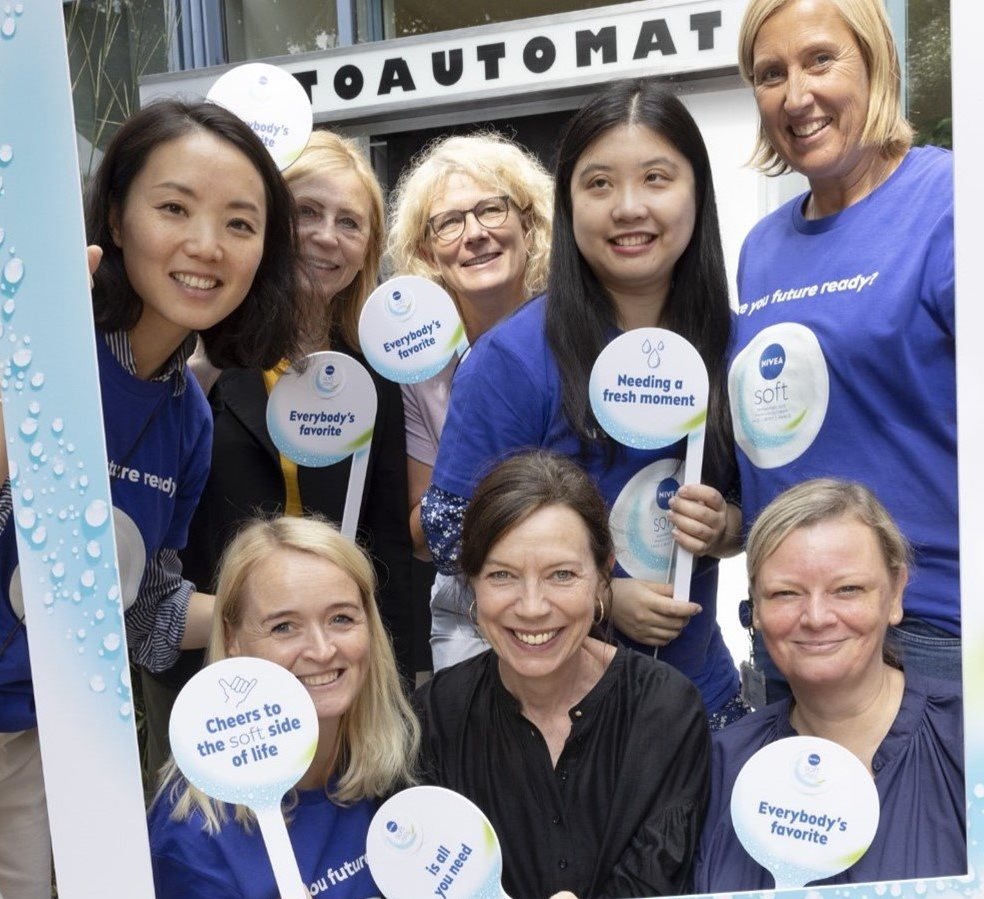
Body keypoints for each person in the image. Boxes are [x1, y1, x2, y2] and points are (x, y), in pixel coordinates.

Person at [0, 99, 302, 899]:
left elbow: (139, 609)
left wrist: (275, 618)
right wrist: (37, 340)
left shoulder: (185, 414)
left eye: (239, 223)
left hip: (27, 741)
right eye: (174, 208)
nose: (205, 246)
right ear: (116, 213)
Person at [728, 0, 984, 701]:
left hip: (937, 629)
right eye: (770, 72)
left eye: (820, 60)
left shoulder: (954, 196)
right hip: (794, 632)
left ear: (876, 64)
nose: (796, 94)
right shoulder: (762, 248)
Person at [423, 80, 746, 725]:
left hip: (697, 701)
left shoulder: (735, 346)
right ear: (567, 206)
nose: (629, 207)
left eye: (657, 178)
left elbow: (767, 509)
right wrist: (599, 593)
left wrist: (726, 529)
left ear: (698, 193)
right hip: (557, 717)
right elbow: (448, 529)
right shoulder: (514, 359)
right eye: (598, 184)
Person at [695, 479, 984, 899]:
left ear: (895, 593)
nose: (816, 617)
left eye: (848, 589)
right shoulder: (723, 766)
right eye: (785, 593)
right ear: (756, 609)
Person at [144, 131, 416, 777]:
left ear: (367, 250)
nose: (327, 236)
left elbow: (386, 539)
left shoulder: (372, 374)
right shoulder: (194, 352)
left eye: (350, 223)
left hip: (335, 671)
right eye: (307, 213)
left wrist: (404, 677)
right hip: (209, 668)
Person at [417, 451, 710, 899]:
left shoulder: (665, 710)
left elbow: (657, 891)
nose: (532, 606)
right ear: (471, 581)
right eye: (502, 575)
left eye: (561, 575)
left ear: (602, 577)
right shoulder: (434, 719)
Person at [149, 516, 420, 899]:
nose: (322, 649)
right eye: (284, 627)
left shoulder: (405, 764)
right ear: (234, 641)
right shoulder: (194, 836)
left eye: (341, 618)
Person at [386, 132, 553, 669]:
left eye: (491, 210)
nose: (475, 234)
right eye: (449, 222)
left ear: (529, 225)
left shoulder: (571, 335)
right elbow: (421, 533)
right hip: (469, 613)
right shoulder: (417, 367)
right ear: (427, 250)